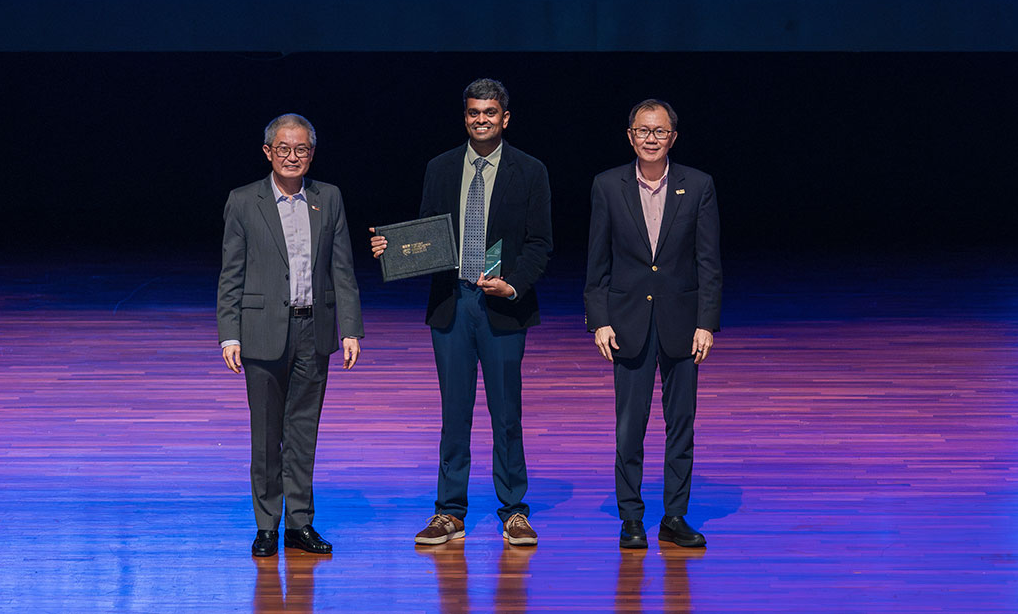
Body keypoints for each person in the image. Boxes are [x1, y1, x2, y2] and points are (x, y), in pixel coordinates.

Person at [372, 78, 552, 547]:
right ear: (464, 115)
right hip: (452, 303)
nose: (481, 119)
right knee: (454, 414)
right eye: (473, 112)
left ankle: (514, 509)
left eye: (490, 112)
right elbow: (428, 237)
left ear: (505, 118)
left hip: (501, 303)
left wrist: (513, 284)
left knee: (506, 413)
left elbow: (540, 244)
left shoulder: (530, 170)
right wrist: (393, 249)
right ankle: (449, 512)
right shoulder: (441, 167)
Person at [217, 113, 362, 558]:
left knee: (303, 433)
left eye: (301, 149)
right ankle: (266, 525)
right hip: (260, 333)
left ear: (312, 153)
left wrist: (351, 328)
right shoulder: (244, 201)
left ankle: (300, 523)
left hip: (312, 331)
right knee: (265, 436)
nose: (292, 156)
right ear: (268, 152)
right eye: (284, 148)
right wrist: (229, 334)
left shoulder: (329, 198)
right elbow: (231, 274)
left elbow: (342, 269)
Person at [584, 99, 721, 549]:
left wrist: (707, 323)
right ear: (630, 136)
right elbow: (597, 263)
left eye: (659, 132)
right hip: (628, 322)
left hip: (683, 323)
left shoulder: (698, 186)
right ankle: (631, 518)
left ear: (673, 138)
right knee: (631, 426)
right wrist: (599, 321)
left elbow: (708, 263)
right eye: (643, 131)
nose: (651, 139)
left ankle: (675, 516)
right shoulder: (607, 186)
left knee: (681, 423)